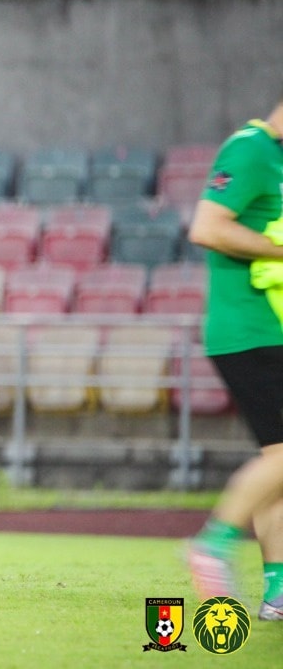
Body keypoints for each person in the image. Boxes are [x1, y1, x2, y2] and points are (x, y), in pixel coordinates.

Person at [186, 89, 283, 620]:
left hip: (268, 329)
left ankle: (278, 591)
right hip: (251, 330)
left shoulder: (274, 158)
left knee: (278, 464)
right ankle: (213, 544)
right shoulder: (249, 149)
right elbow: (208, 227)